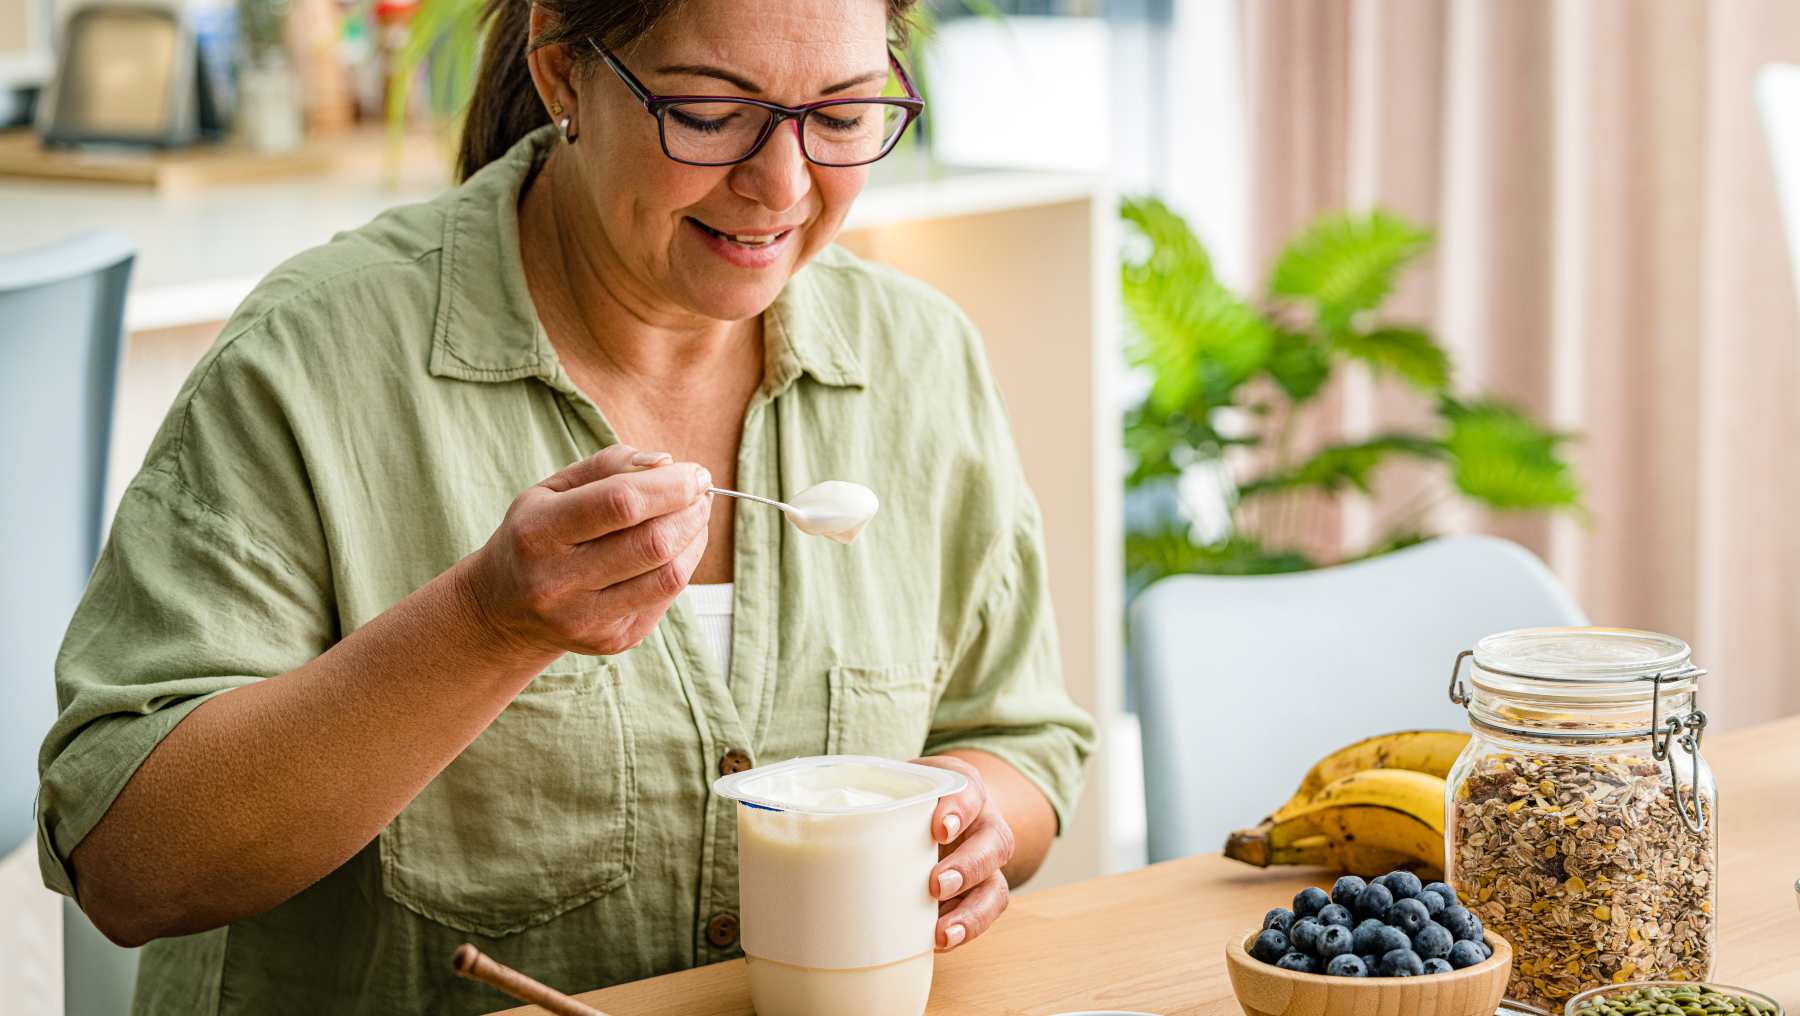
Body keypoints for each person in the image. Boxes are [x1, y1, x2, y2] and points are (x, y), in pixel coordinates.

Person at [34, 0, 1095, 1011]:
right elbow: (131, 863)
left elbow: (1022, 738)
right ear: (561, 72)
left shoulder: (919, 357)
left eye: (843, 115)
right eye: (712, 112)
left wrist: (966, 815)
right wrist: (483, 626)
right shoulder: (314, 364)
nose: (782, 183)